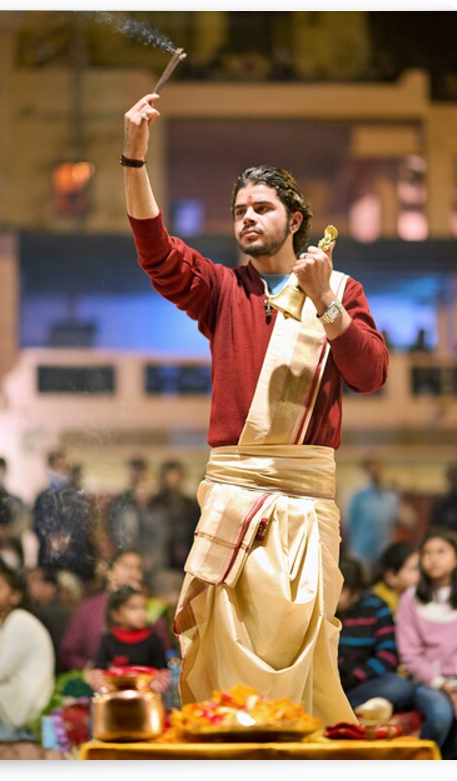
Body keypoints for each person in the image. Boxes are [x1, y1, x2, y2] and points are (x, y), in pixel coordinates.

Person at [121, 92, 388, 724]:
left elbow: (370, 373)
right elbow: (156, 251)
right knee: (221, 662)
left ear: (296, 220)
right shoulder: (221, 289)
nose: (247, 218)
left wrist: (325, 304)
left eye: (262, 208)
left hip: (303, 508)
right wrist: (133, 160)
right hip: (231, 501)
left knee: (301, 664)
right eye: (239, 210)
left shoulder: (342, 291)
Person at [395, 527, 457, 759]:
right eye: (427, 553)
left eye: (441, 552)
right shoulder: (411, 598)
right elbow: (410, 654)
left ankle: (430, 762)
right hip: (429, 681)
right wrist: (442, 684)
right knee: (441, 715)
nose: (433, 559)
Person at [59, 548, 171, 672]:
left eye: (138, 568)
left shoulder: (151, 608)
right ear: (110, 572)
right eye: (126, 566)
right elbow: (68, 652)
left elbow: (163, 653)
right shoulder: (88, 608)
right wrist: (91, 668)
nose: (132, 573)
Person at [0, 565, 55, 741]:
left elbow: (0, 671)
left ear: (15, 596)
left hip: (26, 697)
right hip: (7, 690)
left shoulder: (20, 622)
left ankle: (8, 732)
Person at [336, 556, 414, 712]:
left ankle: (344, 707)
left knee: (399, 687)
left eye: (339, 590)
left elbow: (388, 656)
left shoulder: (376, 608)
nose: (331, 595)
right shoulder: (319, 609)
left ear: (355, 592)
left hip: (360, 682)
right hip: (327, 682)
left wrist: (357, 676)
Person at [91, 585, 170, 695]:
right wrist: (106, 689)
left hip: (145, 700)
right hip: (115, 699)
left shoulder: (153, 640)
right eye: (133, 608)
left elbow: (163, 673)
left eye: (144, 608)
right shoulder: (108, 641)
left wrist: (151, 690)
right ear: (117, 615)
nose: (141, 613)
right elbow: (98, 672)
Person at [32, 450, 96, 585]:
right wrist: (49, 538)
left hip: (75, 558)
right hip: (49, 558)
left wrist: (67, 539)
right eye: (56, 466)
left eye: (62, 466)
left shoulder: (78, 495)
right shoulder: (42, 497)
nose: (59, 470)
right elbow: (36, 524)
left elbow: (84, 523)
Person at [345, 460, 413, 580]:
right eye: (371, 471)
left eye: (377, 470)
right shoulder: (358, 496)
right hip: (362, 551)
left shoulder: (390, 496)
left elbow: (410, 520)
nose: (374, 474)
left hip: (384, 551)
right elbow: (349, 524)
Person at [149, 459, 200, 572]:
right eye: (170, 475)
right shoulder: (156, 501)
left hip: (185, 553)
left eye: (176, 475)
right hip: (161, 555)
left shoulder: (188, 503)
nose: (174, 478)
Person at [26, 565, 75, 674]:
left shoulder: (52, 612)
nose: (30, 586)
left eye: (35, 581)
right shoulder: (54, 608)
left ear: (50, 587)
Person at [0, 457, 29, 569]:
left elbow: (24, 519)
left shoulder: (11, 498)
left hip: (11, 545)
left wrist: (10, 531)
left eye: (2, 470)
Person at [370, 541, 420, 615]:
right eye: (413, 569)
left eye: (421, 567)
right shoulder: (377, 606)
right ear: (391, 577)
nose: (420, 574)